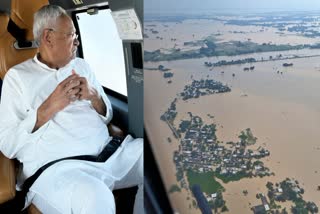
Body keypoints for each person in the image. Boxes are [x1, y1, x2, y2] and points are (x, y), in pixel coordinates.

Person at [0, 5, 143, 214]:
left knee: (159, 158)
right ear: (48, 37)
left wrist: (94, 96)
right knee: (96, 196)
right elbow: (8, 144)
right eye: (71, 34)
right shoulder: (17, 78)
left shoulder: (82, 66)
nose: (77, 40)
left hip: (110, 155)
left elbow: (107, 114)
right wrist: (47, 109)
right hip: (60, 170)